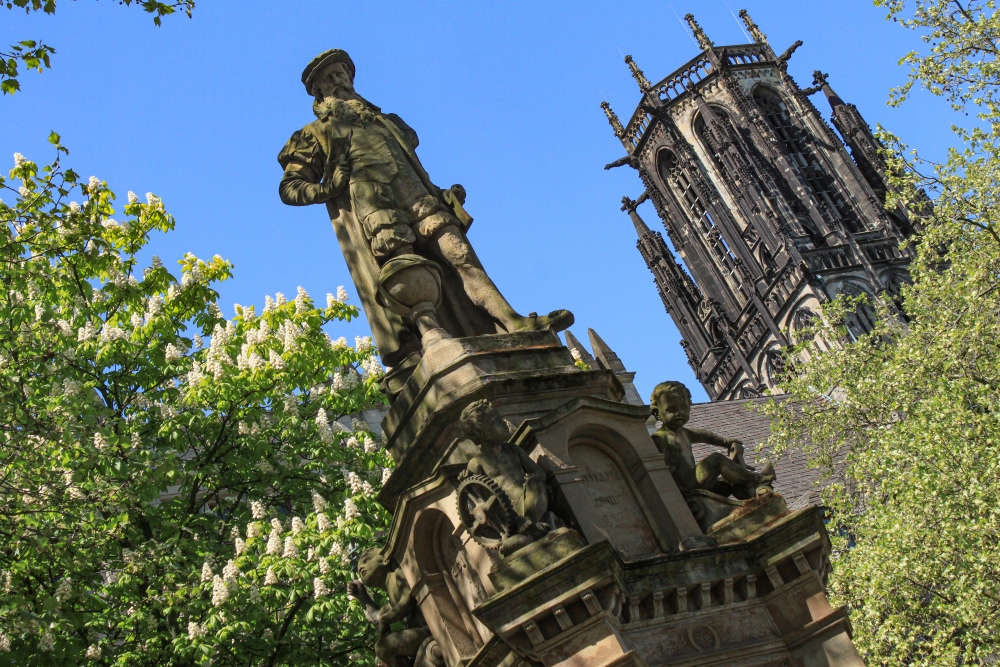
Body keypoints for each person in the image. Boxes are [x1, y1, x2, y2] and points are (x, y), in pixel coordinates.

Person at [278, 49, 572, 369]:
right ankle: (432, 342)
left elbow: (410, 166)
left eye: (342, 73)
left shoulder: (387, 121)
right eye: (329, 78)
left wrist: (442, 192)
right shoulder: (313, 133)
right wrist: (328, 188)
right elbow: (290, 187)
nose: (339, 81)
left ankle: (512, 321)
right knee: (406, 275)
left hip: (416, 194)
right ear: (319, 90)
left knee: (460, 255)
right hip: (373, 207)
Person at [649, 381, 774, 499]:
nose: (679, 413)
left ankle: (747, 489)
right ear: (657, 414)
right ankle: (757, 478)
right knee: (716, 460)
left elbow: (706, 436)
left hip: (697, 481)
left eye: (683, 408)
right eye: (671, 409)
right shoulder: (660, 438)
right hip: (686, 486)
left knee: (727, 483)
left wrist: (726, 442)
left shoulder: (683, 433)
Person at [460, 399, 549, 533]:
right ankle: (527, 528)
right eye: (496, 422)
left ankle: (530, 522)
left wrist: (533, 477)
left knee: (537, 484)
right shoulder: (476, 463)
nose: (504, 424)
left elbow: (540, 473)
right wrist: (466, 480)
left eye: (500, 419)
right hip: (508, 514)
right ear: (481, 433)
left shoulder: (513, 449)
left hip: (530, 500)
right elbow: (482, 499)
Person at [348, 548, 440, 667]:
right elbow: (378, 616)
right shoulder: (392, 595)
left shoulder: (398, 574)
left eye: (366, 560)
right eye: (359, 570)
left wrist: (386, 619)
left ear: (385, 559)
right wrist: (363, 598)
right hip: (421, 632)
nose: (361, 569)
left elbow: (408, 600)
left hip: (431, 628)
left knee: (383, 647)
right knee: (384, 647)